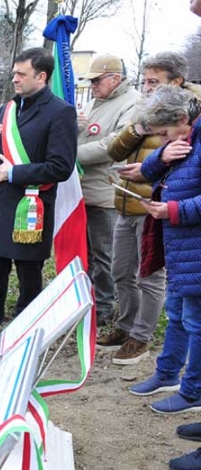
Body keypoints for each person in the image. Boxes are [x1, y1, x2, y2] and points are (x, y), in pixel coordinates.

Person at [0, 47, 78, 348]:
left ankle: (26, 331)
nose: (14, 79)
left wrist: (15, 173)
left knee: (28, 274)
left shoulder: (60, 112)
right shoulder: (8, 109)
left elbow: (60, 167)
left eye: (21, 74)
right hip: (0, 203)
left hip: (31, 205)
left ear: (41, 76)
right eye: (14, 73)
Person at [101, 52, 201, 365]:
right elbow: (116, 149)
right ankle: (130, 331)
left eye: (154, 82)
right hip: (133, 203)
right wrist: (141, 137)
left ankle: (142, 339)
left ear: (177, 82)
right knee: (124, 273)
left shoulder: (185, 123)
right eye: (144, 81)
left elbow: (184, 169)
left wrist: (156, 173)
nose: (147, 87)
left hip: (166, 212)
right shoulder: (150, 115)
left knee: (155, 280)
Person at [77, 54, 141, 326]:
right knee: (86, 253)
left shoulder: (132, 103)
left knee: (105, 255)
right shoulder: (94, 103)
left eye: (97, 80)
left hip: (105, 192)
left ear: (115, 78)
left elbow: (114, 145)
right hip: (82, 190)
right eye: (91, 81)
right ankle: (86, 300)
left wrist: (71, 155)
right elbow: (90, 134)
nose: (93, 86)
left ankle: (104, 306)